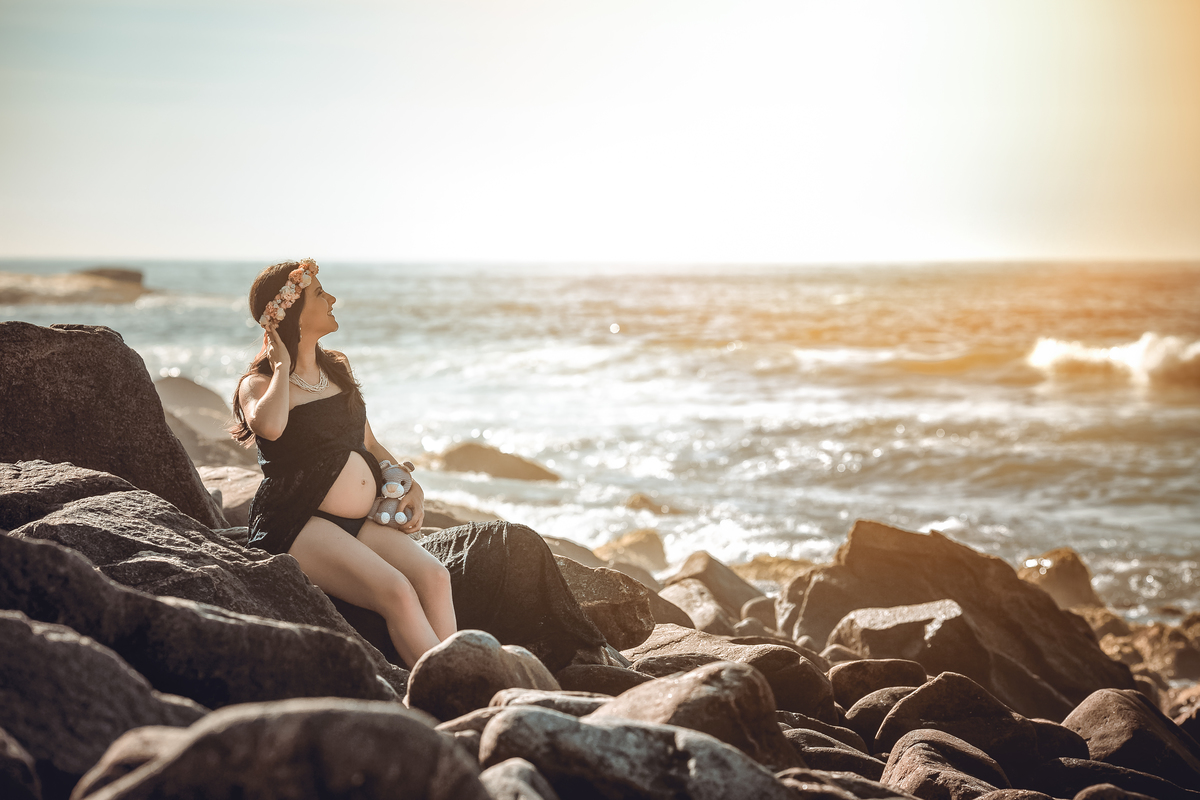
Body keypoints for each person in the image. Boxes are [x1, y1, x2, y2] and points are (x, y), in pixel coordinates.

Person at [230, 259, 456, 667]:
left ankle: (468, 670)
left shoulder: (337, 367)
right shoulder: (259, 384)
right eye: (319, 293)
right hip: (299, 521)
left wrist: (410, 485)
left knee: (435, 577)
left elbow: (368, 441)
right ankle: (446, 689)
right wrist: (282, 365)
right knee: (398, 591)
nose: (332, 299)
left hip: (358, 522)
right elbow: (272, 427)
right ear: (291, 311)